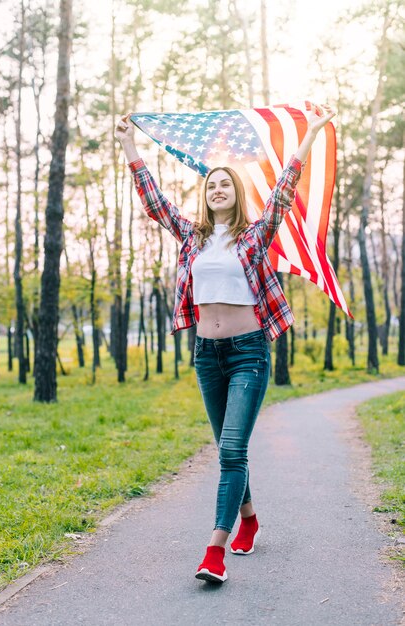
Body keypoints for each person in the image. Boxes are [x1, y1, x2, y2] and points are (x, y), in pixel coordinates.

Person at [115, 104, 336, 584]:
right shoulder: (191, 238)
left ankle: (213, 552)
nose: (218, 189)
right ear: (205, 194)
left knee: (233, 448)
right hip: (206, 356)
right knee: (228, 449)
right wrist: (129, 146)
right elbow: (154, 203)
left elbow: (282, 193)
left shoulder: (253, 237)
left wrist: (311, 134)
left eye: (226, 185)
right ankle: (250, 519)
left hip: (248, 353)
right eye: (211, 184)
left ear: (235, 195)